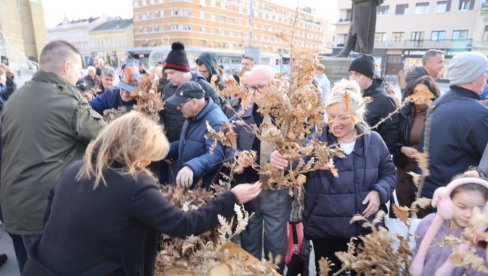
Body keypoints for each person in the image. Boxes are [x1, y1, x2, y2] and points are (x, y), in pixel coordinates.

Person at [22, 112, 262, 275]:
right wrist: (232, 197)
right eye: (148, 155)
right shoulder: (133, 185)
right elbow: (184, 224)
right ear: (134, 152)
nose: (148, 162)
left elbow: (49, 218)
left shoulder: (75, 169)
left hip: (42, 267)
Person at [270, 79, 396, 274]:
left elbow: (389, 172)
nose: (335, 123)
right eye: (331, 116)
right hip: (326, 230)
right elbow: (294, 163)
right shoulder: (316, 142)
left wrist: (379, 192)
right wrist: (278, 158)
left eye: (343, 117)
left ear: (357, 116)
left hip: (365, 229)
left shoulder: (373, 141)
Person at [1, 40, 105, 271]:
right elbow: (107, 136)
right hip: (45, 210)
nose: (79, 75)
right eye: (78, 69)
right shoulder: (67, 100)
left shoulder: (15, 98)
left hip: (15, 206)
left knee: (28, 268)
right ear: (67, 67)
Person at [226, 65, 293, 272]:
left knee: (275, 248)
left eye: (260, 87)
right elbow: (228, 144)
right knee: (249, 245)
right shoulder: (241, 113)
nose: (254, 93)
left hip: (277, 191)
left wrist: (288, 157)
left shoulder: (291, 115)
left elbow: (307, 146)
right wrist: (237, 157)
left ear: (276, 85)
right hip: (249, 189)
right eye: (250, 88)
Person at [419, 52, 488, 202]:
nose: (486, 78)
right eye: (484, 73)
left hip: (429, 192)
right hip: (455, 200)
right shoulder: (478, 114)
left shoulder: (439, 103)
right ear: (474, 76)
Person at [410, 177, 488, 276]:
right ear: (447, 203)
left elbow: (479, 271)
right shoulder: (428, 223)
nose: (468, 214)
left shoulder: (479, 241)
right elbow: (416, 250)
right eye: (462, 207)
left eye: (478, 209)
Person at [165, 81, 228, 189]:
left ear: (194, 102)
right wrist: (163, 150)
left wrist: (191, 167)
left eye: (180, 105)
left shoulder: (216, 122)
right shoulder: (193, 115)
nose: (178, 108)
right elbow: (188, 142)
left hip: (201, 190)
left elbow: (216, 155)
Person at [394, 76, 440, 208]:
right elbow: (392, 141)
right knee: (403, 211)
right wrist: (402, 148)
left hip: (427, 173)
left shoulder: (438, 114)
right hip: (405, 170)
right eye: (416, 91)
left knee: (424, 211)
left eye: (423, 91)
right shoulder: (403, 113)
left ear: (432, 94)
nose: (419, 95)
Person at [160, 42, 220, 143]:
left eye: (171, 73)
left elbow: (217, 119)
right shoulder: (167, 88)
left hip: (195, 148)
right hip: (170, 147)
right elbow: (162, 113)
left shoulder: (205, 87)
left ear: (184, 70)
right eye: (167, 73)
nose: (168, 77)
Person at [349, 54, 399, 154]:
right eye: (351, 74)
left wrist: (376, 158)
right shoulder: (349, 95)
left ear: (369, 76)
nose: (352, 78)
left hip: (370, 158)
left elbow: (391, 136)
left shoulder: (385, 100)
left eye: (358, 74)